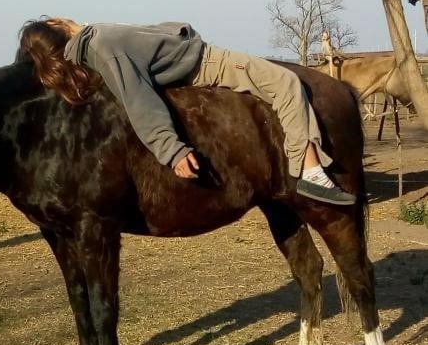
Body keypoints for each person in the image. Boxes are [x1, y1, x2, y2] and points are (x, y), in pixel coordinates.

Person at [19, 17, 356, 205]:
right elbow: (140, 101)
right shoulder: (101, 46)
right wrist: (173, 151)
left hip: (191, 56)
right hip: (207, 62)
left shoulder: (94, 43)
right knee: (285, 82)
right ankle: (310, 171)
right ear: (58, 25)